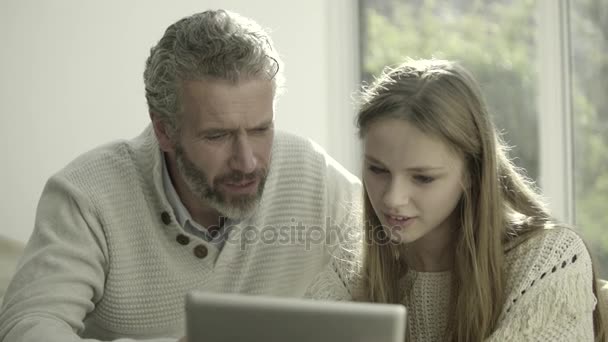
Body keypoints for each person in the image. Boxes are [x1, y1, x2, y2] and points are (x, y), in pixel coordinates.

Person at [0, 9, 362, 342]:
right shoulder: (88, 195)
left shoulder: (310, 172)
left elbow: (395, 248)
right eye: (217, 136)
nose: (247, 161)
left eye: (260, 129)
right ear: (165, 131)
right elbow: (29, 325)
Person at [305, 59, 606, 341]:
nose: (393, 199)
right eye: (378, 169)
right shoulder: (353, 271)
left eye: (423, 178)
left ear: (473, 172)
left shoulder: (549, 259)